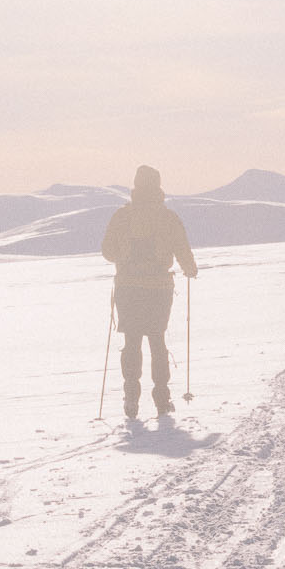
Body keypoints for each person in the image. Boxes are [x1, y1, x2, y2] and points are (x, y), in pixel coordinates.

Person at [98, 165, 197, 420]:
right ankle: (162, 400)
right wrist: (189, 268)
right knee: (157, 341)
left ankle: (131, 398)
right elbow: (182, 247)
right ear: (158, 186)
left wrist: (124, 254)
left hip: (128, 287)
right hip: (158, 289)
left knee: (131, 342)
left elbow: (107, 251)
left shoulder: (122, 216)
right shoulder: (167, 217)